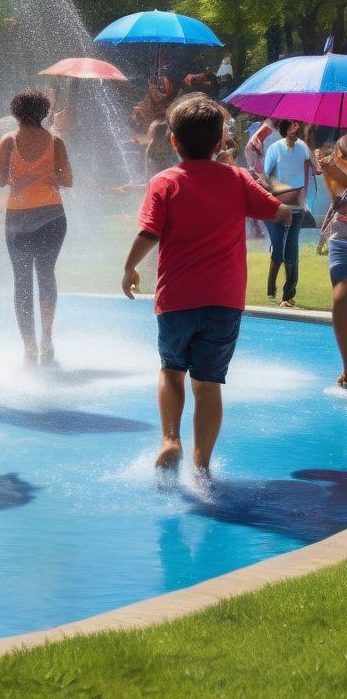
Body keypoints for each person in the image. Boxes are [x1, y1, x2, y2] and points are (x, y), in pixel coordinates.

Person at [121, 94, 288, 476]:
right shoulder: (237, 179)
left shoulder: (164, 181)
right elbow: (278, 212)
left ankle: (169, 440)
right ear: (219, 143)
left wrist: (130, 268)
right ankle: (202, 466)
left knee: (171, 370)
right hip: (224, 301)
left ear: (173, 141)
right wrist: (250, 178)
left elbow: (149, 232)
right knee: (209, 384)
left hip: (176, 299)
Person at [0, 90, 72, 365]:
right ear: (44, 112)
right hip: (52, 216)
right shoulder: (55, 141)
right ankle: (46, 340)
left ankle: (30, 348)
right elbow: (68, 180)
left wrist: (23, 178)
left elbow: (0, 181)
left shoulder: (8, 142)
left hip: (17, 218)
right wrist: (45, 174)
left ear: (15, 113)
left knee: (22, 280)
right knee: (46, 274)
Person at [262, 120, 319, 307]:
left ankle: (287, 296)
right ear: (287, 128)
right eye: (294, 125)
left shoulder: (303, 147)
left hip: (297, 209)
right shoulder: (274, 149)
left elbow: (315, 169)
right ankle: (271, 288)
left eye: (298, 125)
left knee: (291, 252)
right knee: (279, 251)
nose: (298, 128)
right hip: (278, 208)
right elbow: (266, 177)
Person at [318, 137, 347, 386]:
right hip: (340, 241)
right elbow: (337, 203)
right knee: (340, 300)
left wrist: (334, 171)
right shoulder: (337, 173)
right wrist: (329, 175)